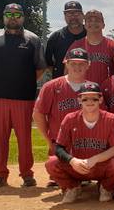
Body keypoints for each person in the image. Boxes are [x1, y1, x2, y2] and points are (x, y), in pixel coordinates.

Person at [0, 3, 47, 188]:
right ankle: (0, 174)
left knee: (24, 138)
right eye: (9, 14)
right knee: (0, 137)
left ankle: (27, 174)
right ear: (3, 16)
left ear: (23, 17)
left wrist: (24, 80)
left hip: (23, 97)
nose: (13, 17)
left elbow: (40, 67)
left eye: (17, 14)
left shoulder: (32, 39)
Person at [44, 82, 114, 204]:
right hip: (78, 166)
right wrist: (72, 160)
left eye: (94, 98)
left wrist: (94, 159)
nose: (90, 101)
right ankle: (73, 187)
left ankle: (106, 187)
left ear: (101, 99)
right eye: (85, 98)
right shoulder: (70, 118)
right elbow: (59, 148)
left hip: (100, 166)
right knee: (51, 163)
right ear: (79, 99)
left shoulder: (111, 119)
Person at [34, 48, 92, 187]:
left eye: (81, 64)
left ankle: (83, 176)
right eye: (73, 63)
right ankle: (64, 178)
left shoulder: (92, 88)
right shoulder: (52, 86)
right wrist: (48, 140)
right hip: (61, 144)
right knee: (53, 165)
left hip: (86, 144)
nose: (77, 67)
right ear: (66, 63)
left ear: (88, 65)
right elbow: (38, 114)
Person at [68, 9, 114, 85]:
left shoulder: (112, 46)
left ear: (103, 25)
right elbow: (67, 70)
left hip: (106, 91)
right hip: (81, 91)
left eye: (97, 20)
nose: (93, 23)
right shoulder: (76, 45)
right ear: (85, 25)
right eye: (89, 20)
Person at [45, 1, 86, 78]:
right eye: (69, 14)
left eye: (76, 13)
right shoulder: (56, 37)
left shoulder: (91, 34)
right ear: (64, 16)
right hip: (61, 84)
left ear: (83, 15)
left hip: (87, 84)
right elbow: (49, 63)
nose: (73, 17)